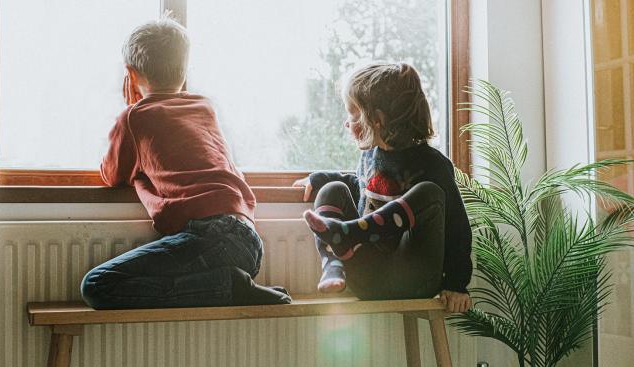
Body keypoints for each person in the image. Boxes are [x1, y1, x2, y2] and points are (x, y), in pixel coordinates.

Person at [81, 17, 290, 309]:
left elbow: (112, 175)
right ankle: (228, 283)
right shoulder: (205, 106)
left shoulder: (135, 116)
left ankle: (227, 287)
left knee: (97, 285)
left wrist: (131, 110)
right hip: (248, 239)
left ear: (130, 74)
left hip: (211, 236)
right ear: (184, 69)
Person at [294, 62, 472, 313]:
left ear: (377, 120)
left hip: (413, 278)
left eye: (353, 113)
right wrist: (319, 178)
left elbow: (457, 228)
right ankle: (334, 263)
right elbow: (360, 185)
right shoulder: (369, 158)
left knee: (429, 193)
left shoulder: (433, 164)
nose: (347, 123)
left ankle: (350, 233)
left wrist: (457, 284)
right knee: (331, 189)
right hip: (365, 278)